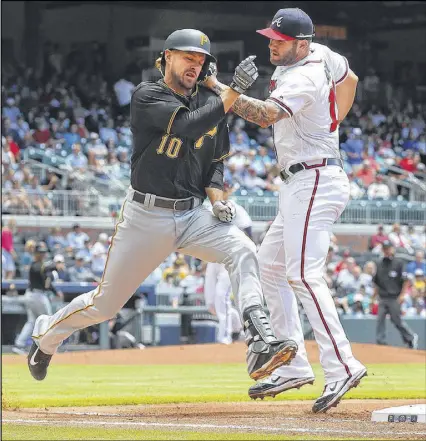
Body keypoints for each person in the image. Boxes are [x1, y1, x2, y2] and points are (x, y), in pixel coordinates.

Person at [28, 29, 297, 382]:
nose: (195, 65)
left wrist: (216, 199)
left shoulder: (210, 101)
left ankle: (259, 340)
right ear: (167, 56)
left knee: (245, 250)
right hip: (146, 216)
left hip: (192, 214)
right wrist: (233, 92)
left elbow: (215, 163)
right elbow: (187, 126)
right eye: (188, 57)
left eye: (201, 60)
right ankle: (47, 336)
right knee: (105, 305)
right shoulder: (148, 94)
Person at [204, 7, 366, 413]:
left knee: (303, 275)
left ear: (301, 43)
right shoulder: (326, 56)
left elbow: (265, 115)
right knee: (268, 266)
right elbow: (351, 79)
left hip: (314, 179)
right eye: (270, 38)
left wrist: (218, 86)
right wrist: (335, 120)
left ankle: (343, 365)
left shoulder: (306, 74)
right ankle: (293, 365)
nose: (271, 44)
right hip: (300, 181)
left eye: (279, 40)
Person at [204, 182, 253, 344]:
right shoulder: (206, 207)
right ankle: (237, 327)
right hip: (213, 258)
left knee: (221, 294)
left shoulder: (236, 209)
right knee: (211, 301)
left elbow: (248, 233)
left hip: (230, 258)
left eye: (224, 189)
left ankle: (224, 336)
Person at [12, 243, 63, 355]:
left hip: (35, 295)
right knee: (49, 320)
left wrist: (55, 292)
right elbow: (42, 268)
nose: (43, 254)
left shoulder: (42, 267)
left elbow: (47, 283)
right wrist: (55, 266)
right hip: (36, 296)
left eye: (44, 252)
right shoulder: (35, 265)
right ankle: (48, 347)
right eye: (40, 252)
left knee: (32, 322)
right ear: (36, 253)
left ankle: (19, 344)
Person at [372, 241, 418, 349]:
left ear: (392, 249)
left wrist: (402, 295)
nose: (387, 251)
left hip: (394, 297)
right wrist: (373, 298)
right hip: (383, 297)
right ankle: (380, 341)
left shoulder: (399, 263)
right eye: (385, 248)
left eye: (388, 248)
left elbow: (405, 281)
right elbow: (376, 282)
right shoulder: (379, 263)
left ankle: (410, 337)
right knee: (380, 319)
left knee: (396, 320)